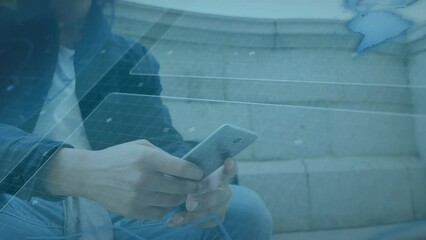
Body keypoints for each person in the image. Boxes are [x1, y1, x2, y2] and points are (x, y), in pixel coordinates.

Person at [0, 0, 273, 239]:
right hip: (16, 204)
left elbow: (158, 137)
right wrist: (71, 170)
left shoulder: (128, 54)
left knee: (245, 210)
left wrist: (197, 177)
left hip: (118, 208)